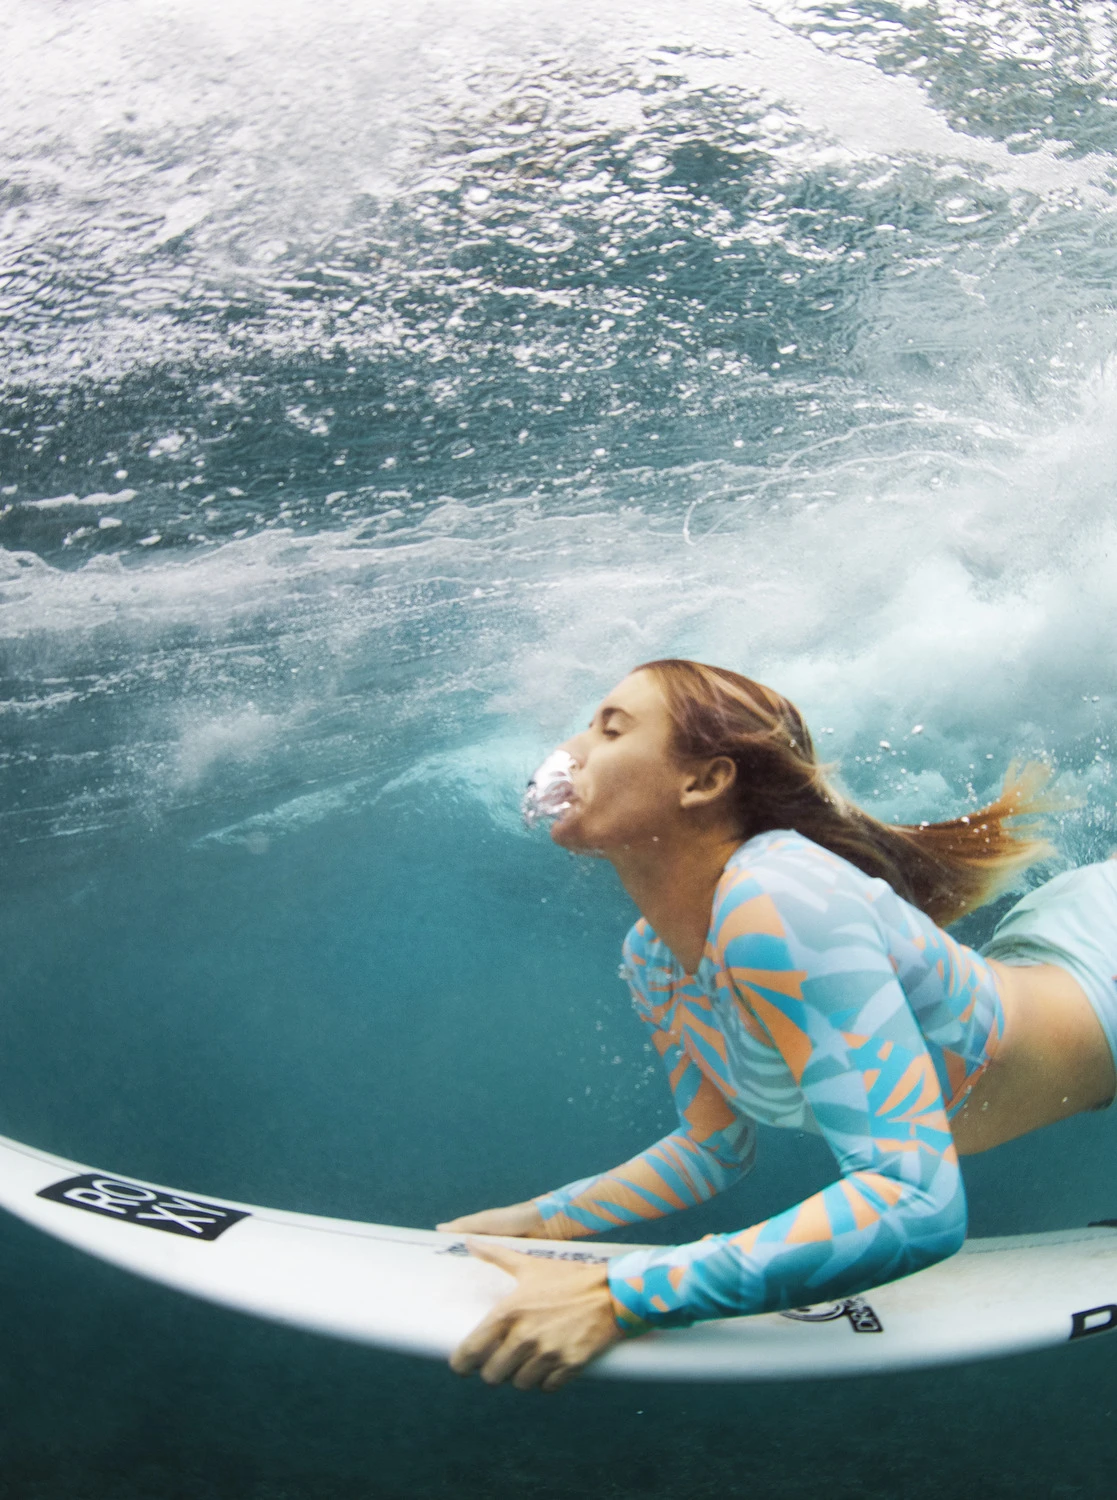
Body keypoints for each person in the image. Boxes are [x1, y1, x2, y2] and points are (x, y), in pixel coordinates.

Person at [438, 659, 1117, 1393]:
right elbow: (711, 1149)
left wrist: (620, 1298)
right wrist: (539, 1223)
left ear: (703, 781)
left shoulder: (778, 899)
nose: (569, 751)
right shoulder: (654, 956)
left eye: (611, 729)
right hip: (1054, 943)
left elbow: (915, 1203)